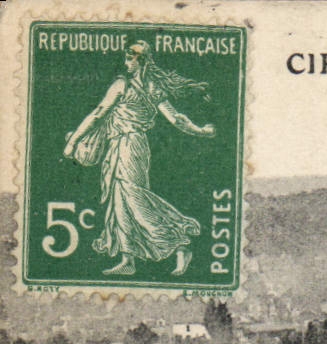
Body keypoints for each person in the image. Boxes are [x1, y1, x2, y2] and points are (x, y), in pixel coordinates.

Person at [61, 40, 216, 276]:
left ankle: (180, 244)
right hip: (123, 146)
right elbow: (177, 119)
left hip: (129, 146)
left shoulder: (123, 85)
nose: (126, 62)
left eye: (129, 57)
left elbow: (98, 114)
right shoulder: (152, 87)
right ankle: (128, 259)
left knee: (134, 199)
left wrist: (73, 141)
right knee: (120, 201)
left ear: (140, 60)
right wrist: (200, 130)